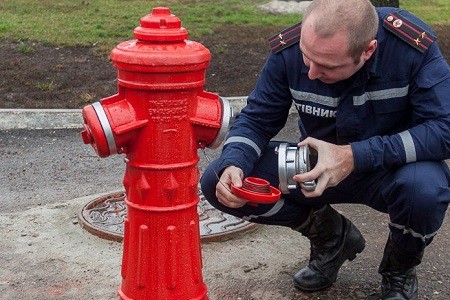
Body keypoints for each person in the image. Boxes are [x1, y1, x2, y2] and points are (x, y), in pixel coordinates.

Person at [200, 0, 450, 299]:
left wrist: (354, 156)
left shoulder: (410, 48)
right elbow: (257, 119)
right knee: (218, 180)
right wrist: (234, 163)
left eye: (328, 66)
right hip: (316, 170)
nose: (311, 73)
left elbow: (445, 128)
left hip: (391, 169)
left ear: (368, 50)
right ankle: (332, 238)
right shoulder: (293, 48)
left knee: (425, 190)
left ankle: (399, 268)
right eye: (307, 58)